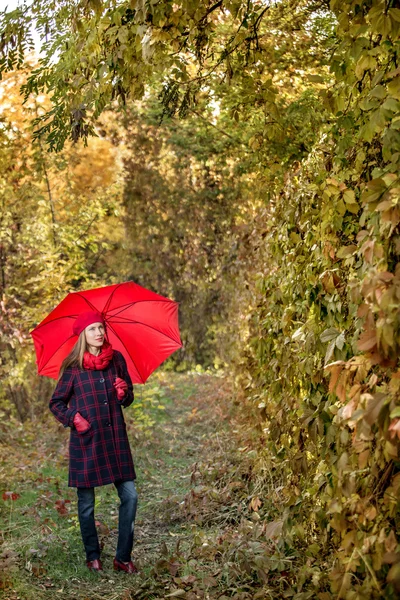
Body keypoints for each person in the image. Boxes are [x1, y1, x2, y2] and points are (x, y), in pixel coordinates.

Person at [49, 310, 138, 574]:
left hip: (114, 440)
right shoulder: (73, 368)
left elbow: (129, 396)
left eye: (101, 328)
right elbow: (55, 403)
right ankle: (92, 555)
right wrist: (73, 417)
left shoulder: (117, 360)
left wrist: (124, 393)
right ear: (82, 336)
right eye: (92, 329)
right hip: (86, 442)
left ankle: (123, 557)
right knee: (86, 503)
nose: (99, 333)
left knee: (130, 496)